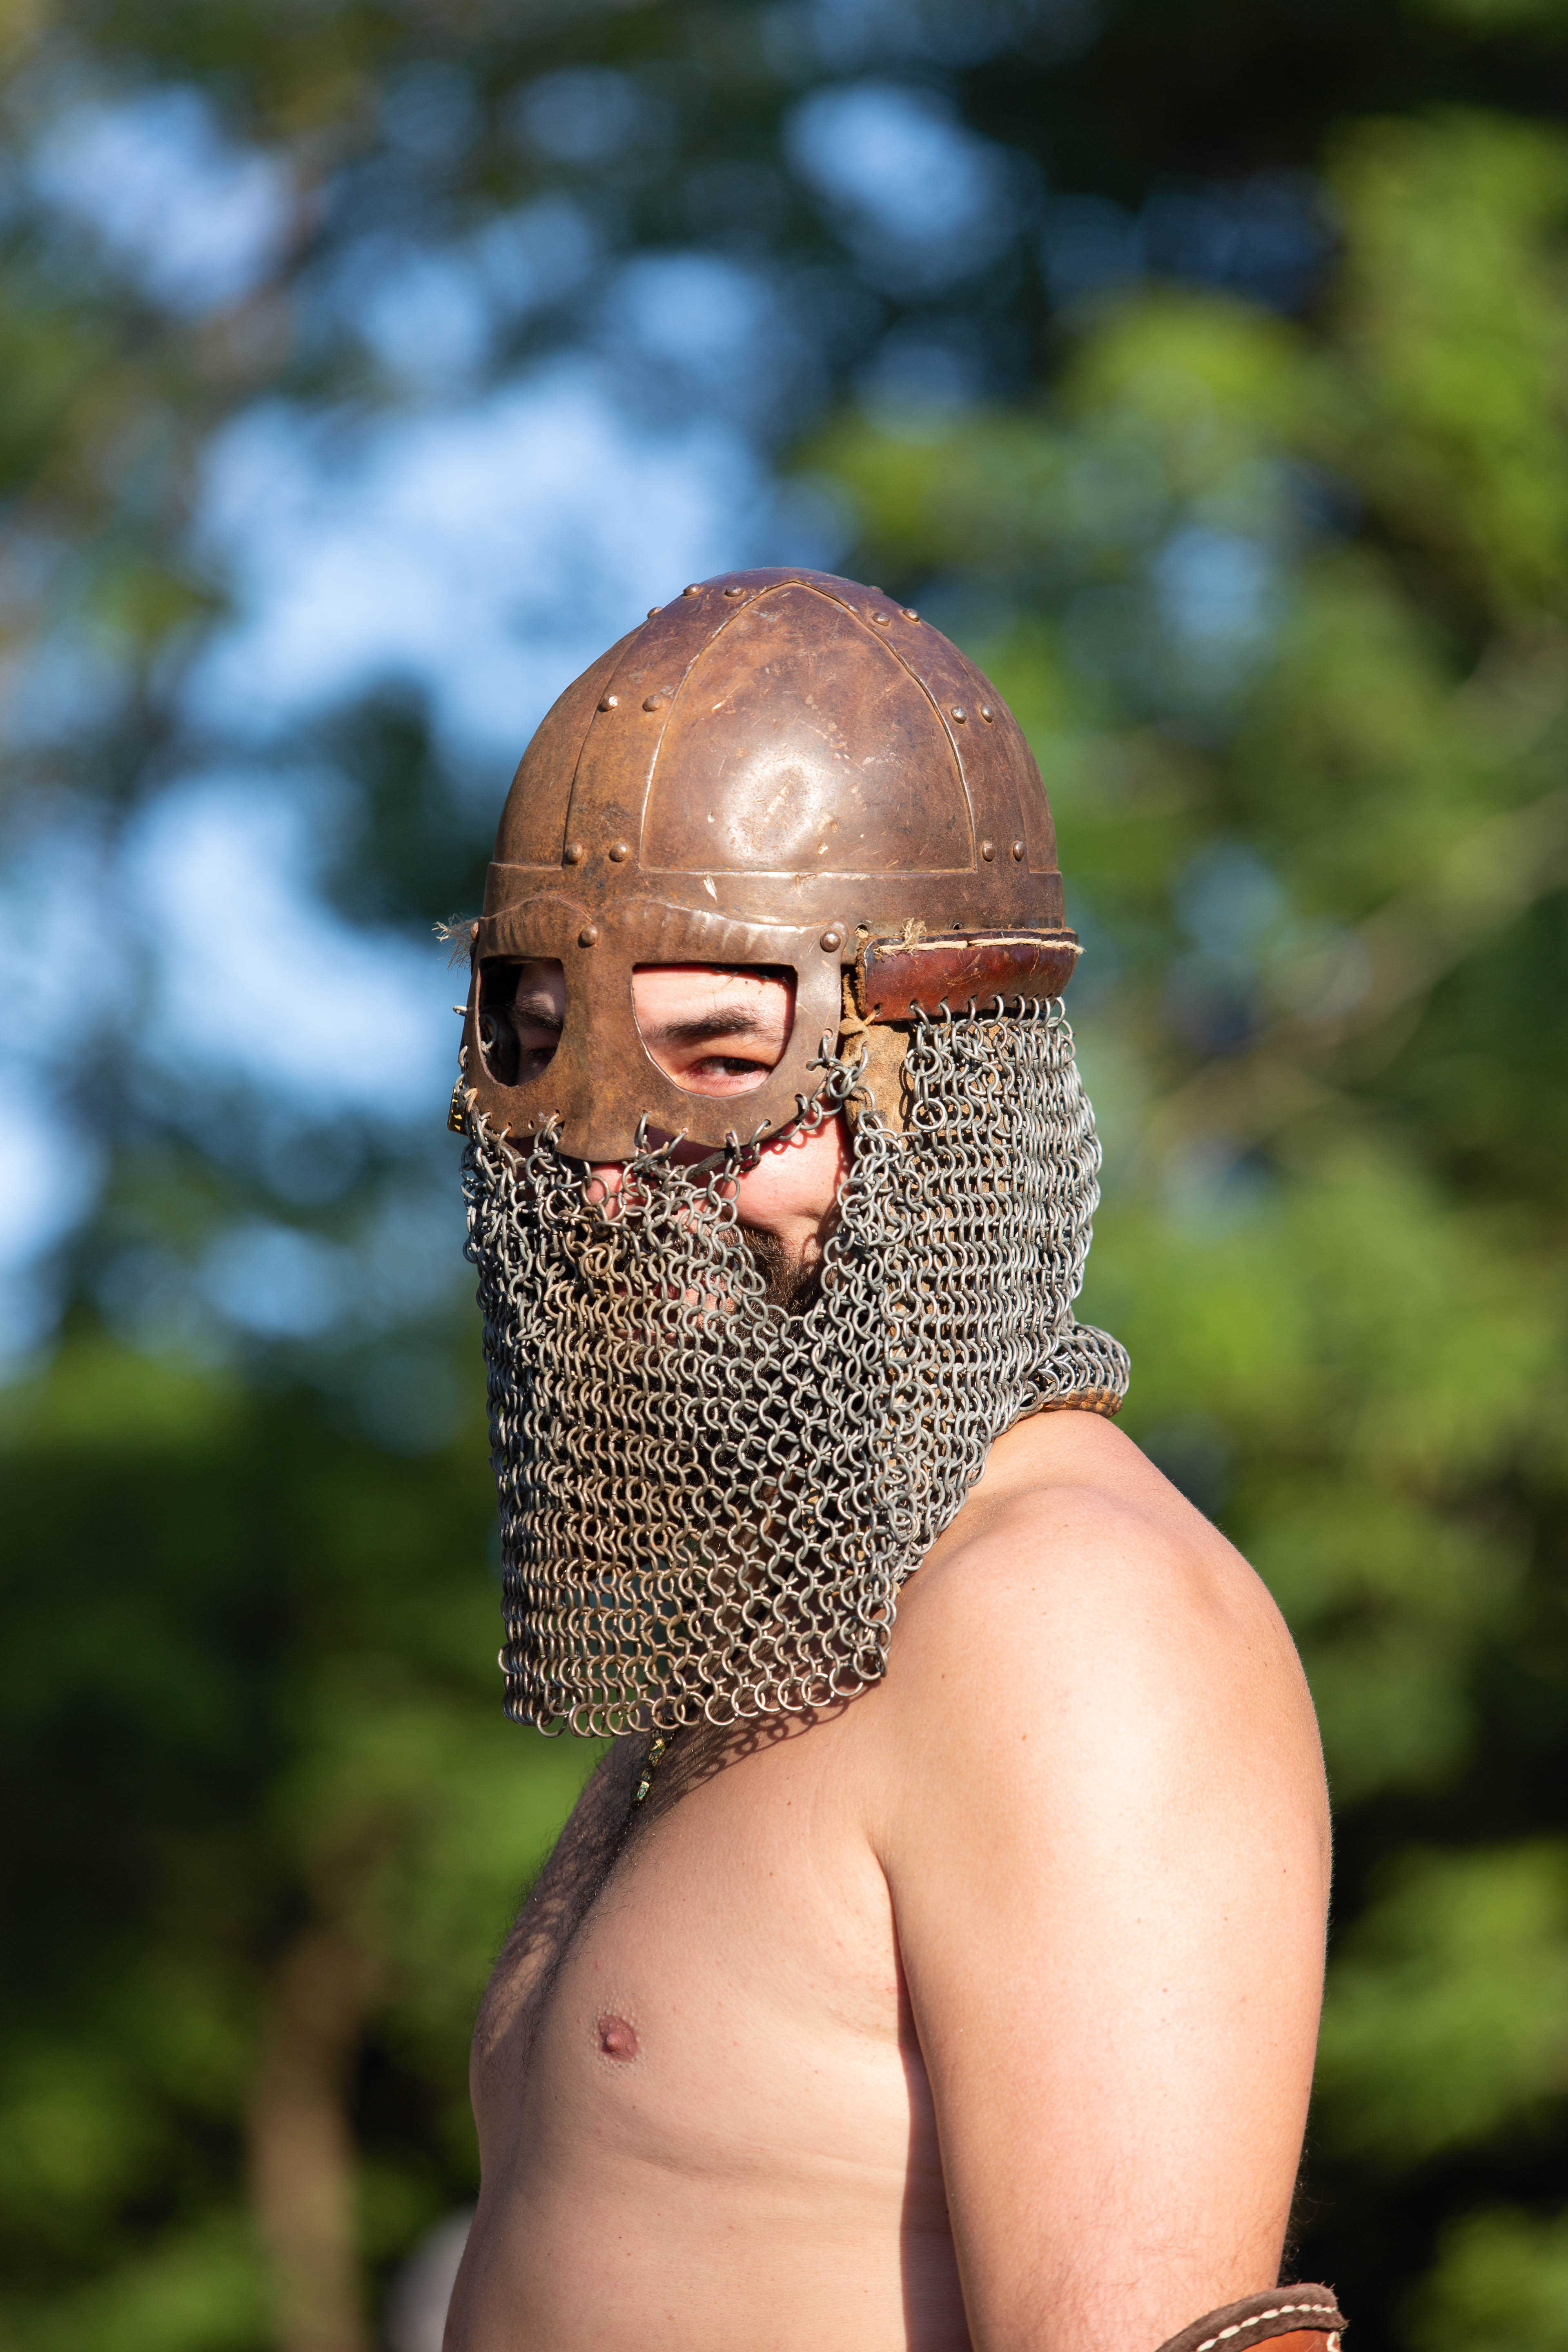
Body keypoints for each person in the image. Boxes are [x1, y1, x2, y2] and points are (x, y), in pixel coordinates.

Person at [441, 570, 1338, 2352]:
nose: (612, 1179)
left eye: (722, 1064)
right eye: (546, 1056)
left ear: (948, 1081)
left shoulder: (1074, 1628)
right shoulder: (779, 1618)